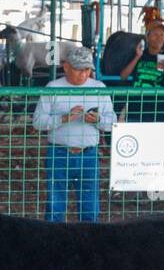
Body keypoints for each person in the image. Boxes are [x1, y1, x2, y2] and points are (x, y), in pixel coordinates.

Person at [31, 47, 116, 222]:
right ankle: (54, 243)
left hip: (89, 154)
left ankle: (89, 244)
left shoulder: (99, 88)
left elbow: (112, 122)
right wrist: (63, 118)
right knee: (55, 206)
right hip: (59, 153)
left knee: (90, 208)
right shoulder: (53, 87)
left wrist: (97, 120)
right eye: (78, 69)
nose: (83, 74)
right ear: (66, 67)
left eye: (87, 69)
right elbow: (38, 122)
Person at [118, 19, 164, 122]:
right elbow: (123, 76)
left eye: (162, 35)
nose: (159, 38)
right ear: (147, 38)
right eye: (155, 34)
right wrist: (138, 56)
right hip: (136, 112)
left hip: (161, 114)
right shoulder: (138, 54)